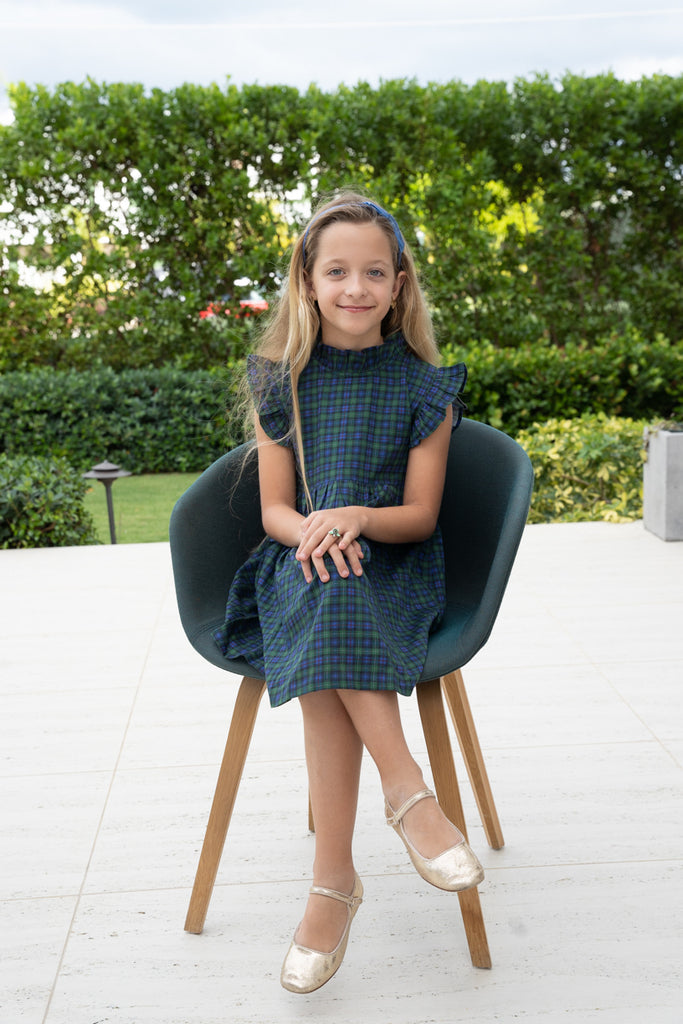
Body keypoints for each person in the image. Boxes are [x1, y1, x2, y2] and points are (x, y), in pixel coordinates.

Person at [214, 192, 483, 994]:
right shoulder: (280, 383)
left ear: (398, 285)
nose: (354, 288)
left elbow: (419, 515)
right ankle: (408, 795)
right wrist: (316, 533)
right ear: (307, 281)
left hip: (393, 566)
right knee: (329, 584)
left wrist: (357, 518)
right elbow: (274, 511)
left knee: (340, 596)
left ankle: (332, 884)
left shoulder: (424, 387)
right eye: (336, 272)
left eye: (373, 272)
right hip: (297, 560)